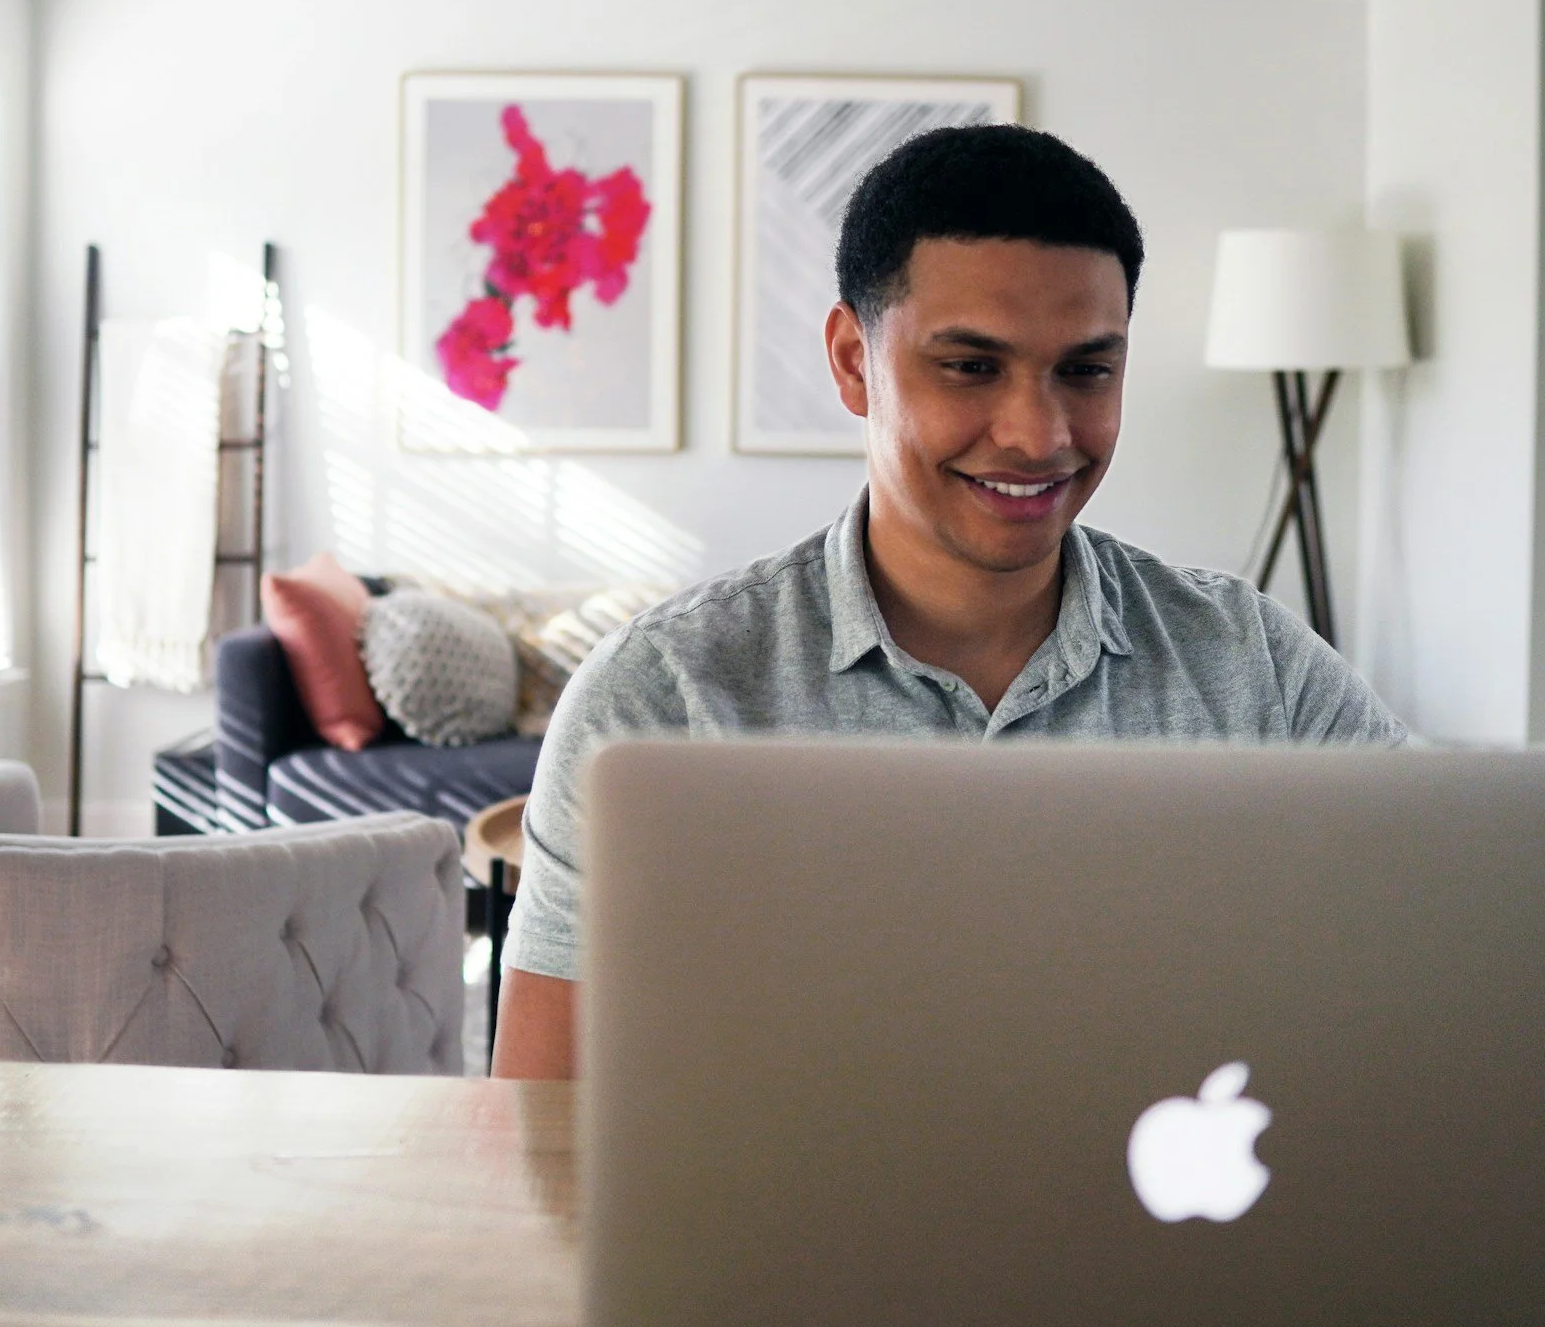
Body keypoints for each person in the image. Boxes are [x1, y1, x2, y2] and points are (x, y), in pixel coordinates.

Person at [492, 125, 1407, 1078]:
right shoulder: (661, 695)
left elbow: (1439, 957)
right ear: (854, 361)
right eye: (971, 367)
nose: (1038, 433)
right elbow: (535, 1131)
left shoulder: (1253, 667)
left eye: (1086, 369)